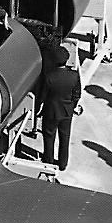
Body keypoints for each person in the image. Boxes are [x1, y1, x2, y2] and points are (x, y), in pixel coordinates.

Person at [41, 44, 81, 172]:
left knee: (49, 136)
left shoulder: (49, 77)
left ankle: (49, 160)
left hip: (51, 111)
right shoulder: (74, 76)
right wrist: (71, 105)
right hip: (67, 111)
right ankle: (63, 164)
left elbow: (42, 96)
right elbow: (77, 94)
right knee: (65, 137)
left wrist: (38, 110)